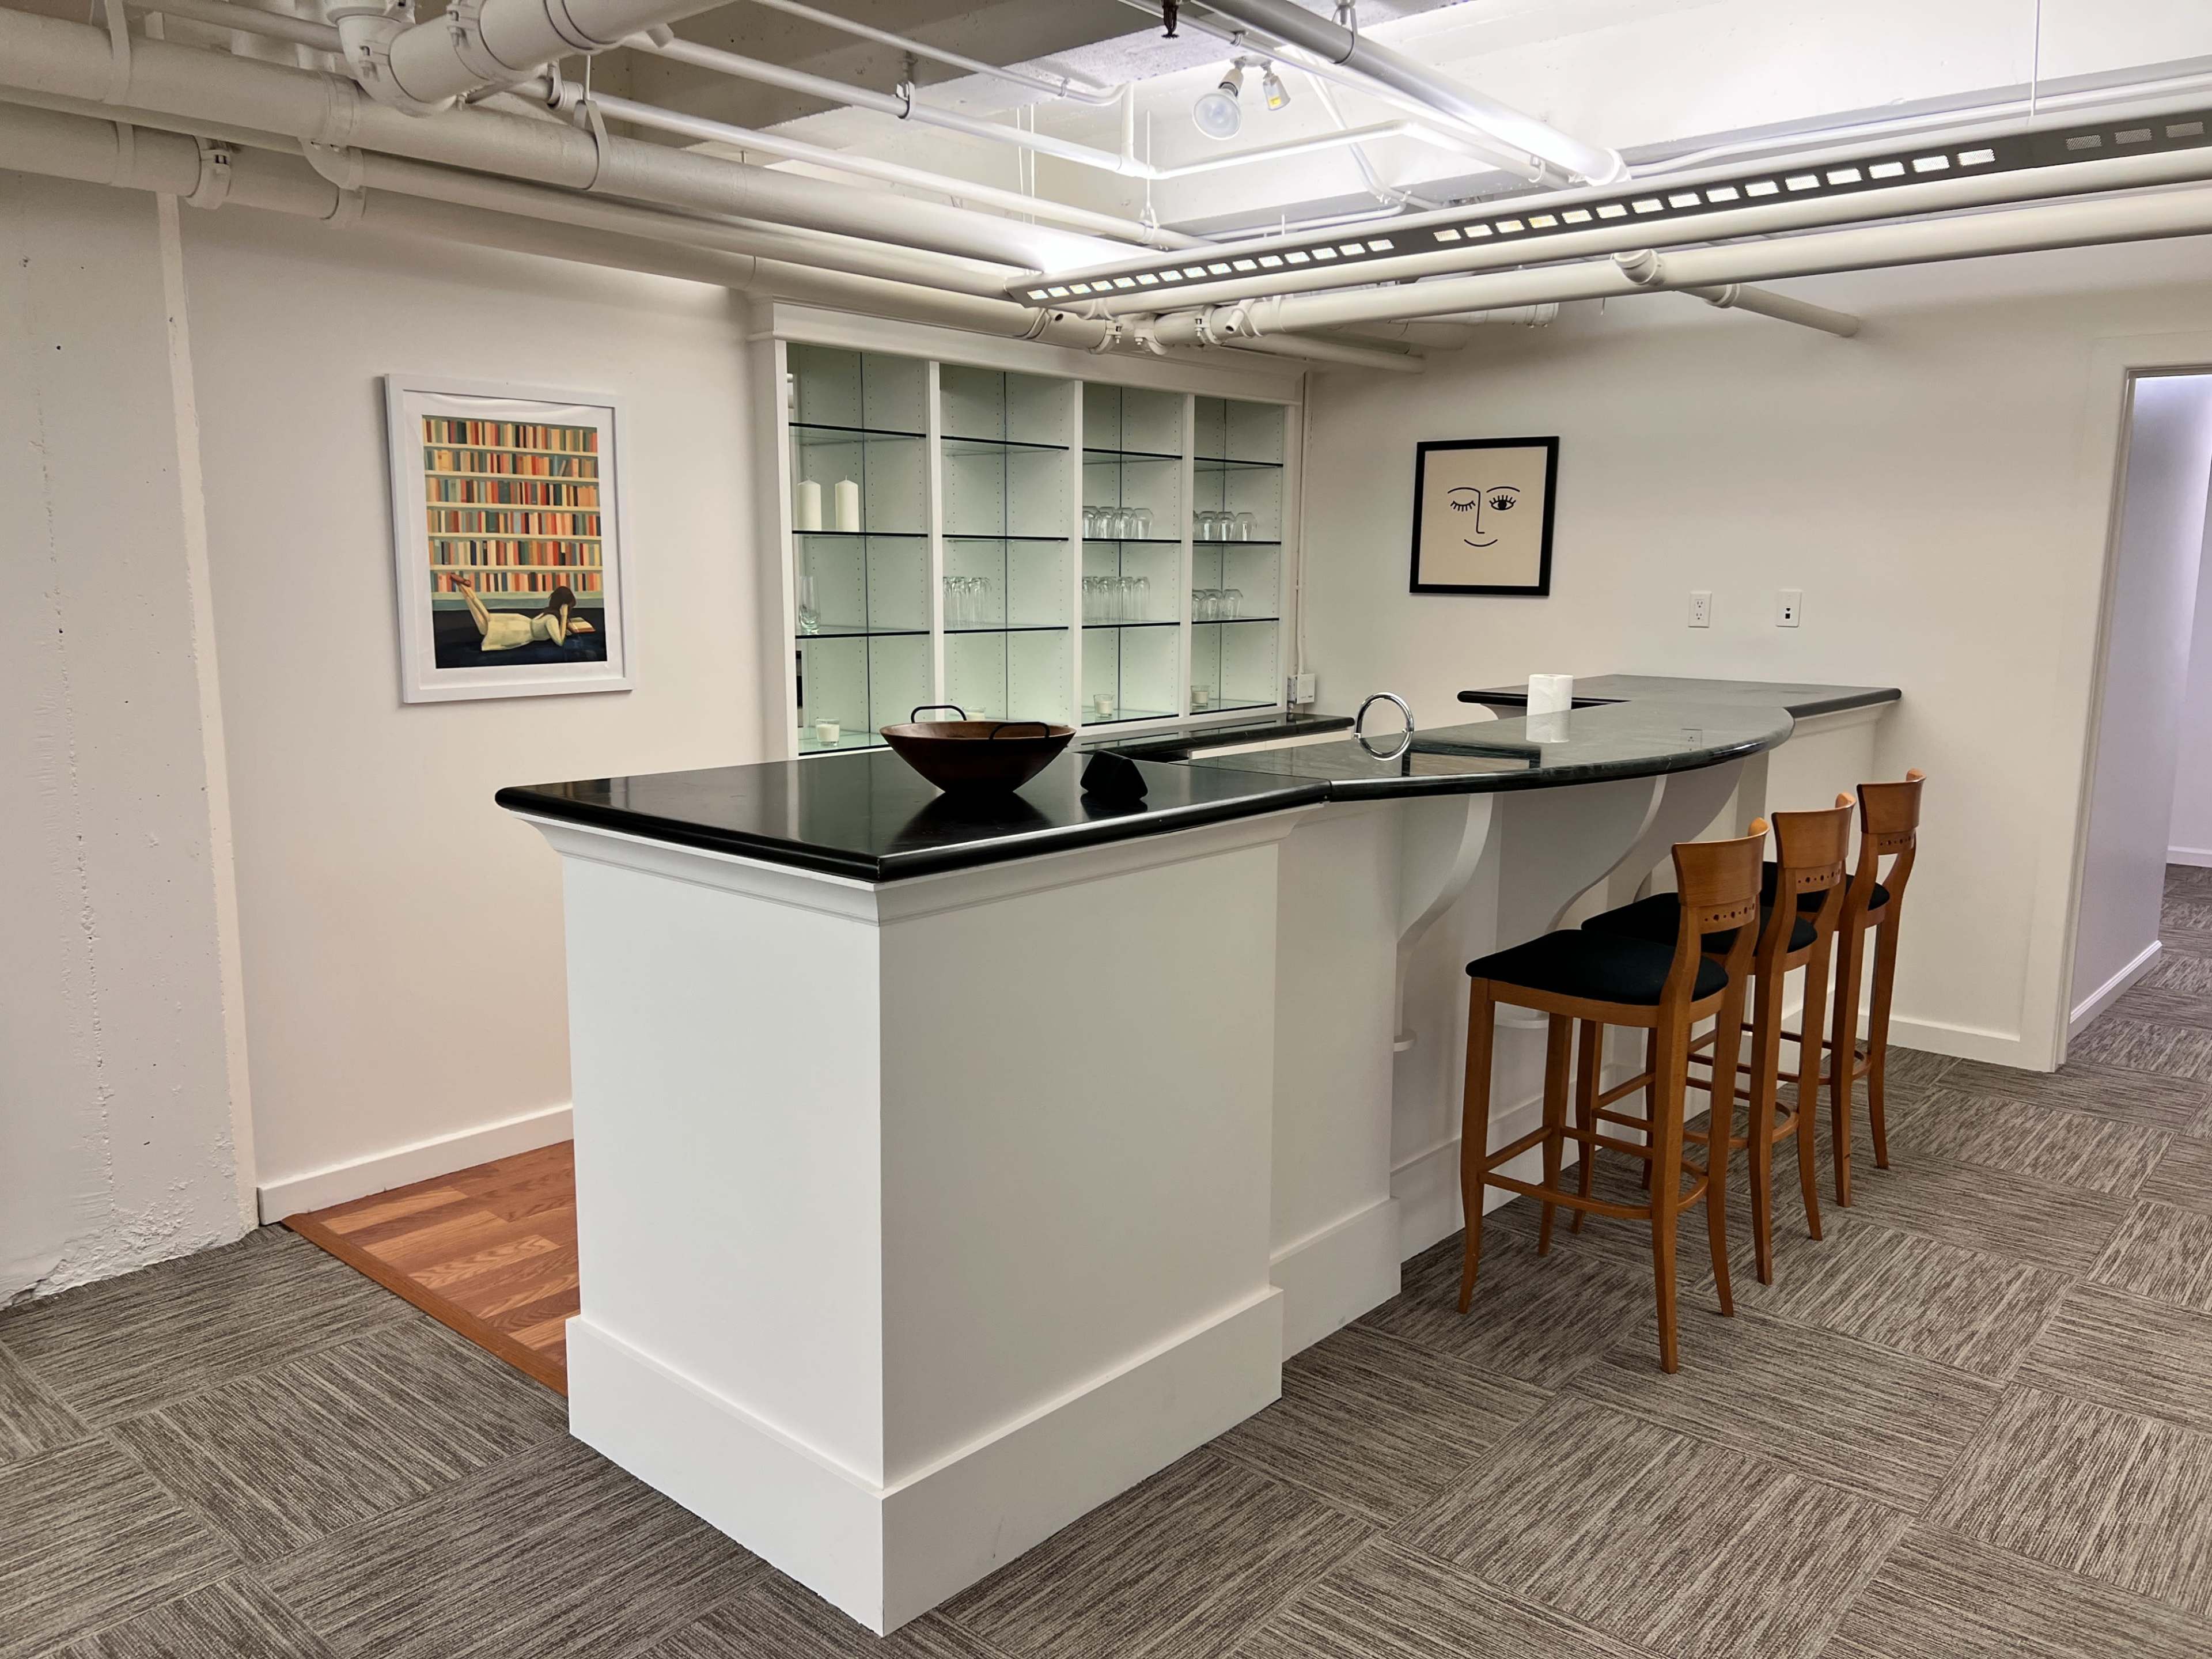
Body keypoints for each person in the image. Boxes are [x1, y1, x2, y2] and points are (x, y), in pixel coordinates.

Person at [451, 575, 597, 650]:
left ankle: (465, 588)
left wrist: (563, 628)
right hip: (521, 631)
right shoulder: (552, 619)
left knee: (486, 620)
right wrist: (564, 617)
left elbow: (553, 631)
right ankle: (464, 588)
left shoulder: (547, 613)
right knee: (484, 626)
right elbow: (559, 642)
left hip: (522, 622)